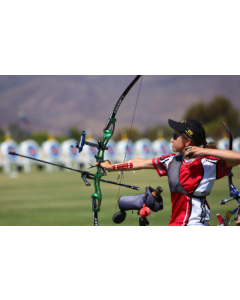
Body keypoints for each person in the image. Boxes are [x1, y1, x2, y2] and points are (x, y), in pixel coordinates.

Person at [98, 119, 240, 226]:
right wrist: (112, 168)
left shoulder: (207, 163)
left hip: (195, 222)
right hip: (176, 222)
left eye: (175, 135)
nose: (171, 139)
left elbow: (238, 158)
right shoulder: (172, 160)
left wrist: (203, 151)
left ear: (188, 141)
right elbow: (140, 163)